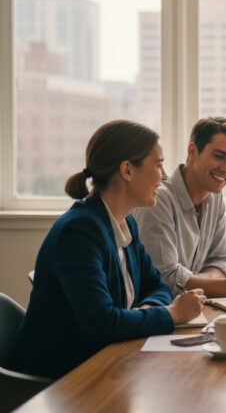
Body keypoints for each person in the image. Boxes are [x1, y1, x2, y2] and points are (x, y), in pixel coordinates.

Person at [9, 120, 205, 379]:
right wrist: (172, 314)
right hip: (60, 381)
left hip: (104, 361)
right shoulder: (79, 232)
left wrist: (144, 313)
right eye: (158, 165)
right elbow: (103, 324)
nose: (165, 176)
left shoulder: (126, 222)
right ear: (127, 170)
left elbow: (157, 286)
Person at [133, 116, 226, 297]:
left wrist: (198, 282)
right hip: (158, 315)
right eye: (219, 156)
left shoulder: (215, 198)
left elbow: (223, 261)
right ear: (192, 151)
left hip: (196, 309)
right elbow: (167, 280)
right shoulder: (158, 201)